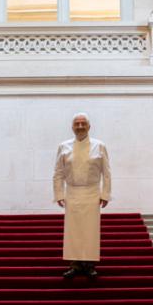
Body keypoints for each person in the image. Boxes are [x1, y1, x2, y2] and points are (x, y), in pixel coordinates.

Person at [53, 112, 111, 280]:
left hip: (92, 193)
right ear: (72, 127)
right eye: (77, 124)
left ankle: (89, 265)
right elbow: (58, 173)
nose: (80, 127)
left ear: (89, 126)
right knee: (73, 231)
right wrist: (58, 194)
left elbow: (106, 172)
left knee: (90, 231)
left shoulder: (99, 146)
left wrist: (105, 193)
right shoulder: (63, 146)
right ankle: (74, 265)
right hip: (72, 192)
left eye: (83, 123)